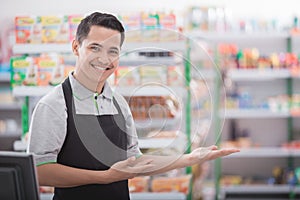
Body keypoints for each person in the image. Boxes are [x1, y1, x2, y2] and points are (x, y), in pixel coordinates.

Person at [27, 12, 239, 200]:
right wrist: (106, 177)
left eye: (113, 51)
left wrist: (189, 158)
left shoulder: (119, 103)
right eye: (95, 48)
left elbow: (135, 161)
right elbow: (40, 170)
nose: (104, 58)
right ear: (76, 47)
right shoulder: (54, 104)